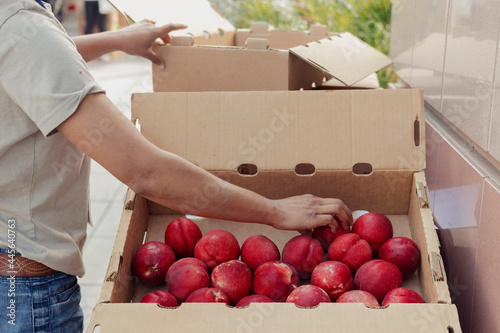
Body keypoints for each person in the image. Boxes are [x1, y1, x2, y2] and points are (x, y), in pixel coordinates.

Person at [0, 1, 353, 332]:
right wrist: (274, 210)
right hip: (24, 292)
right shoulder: (20, 23)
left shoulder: (18, 24)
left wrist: (117, 40)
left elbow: (32, 54)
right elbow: (145, 171)